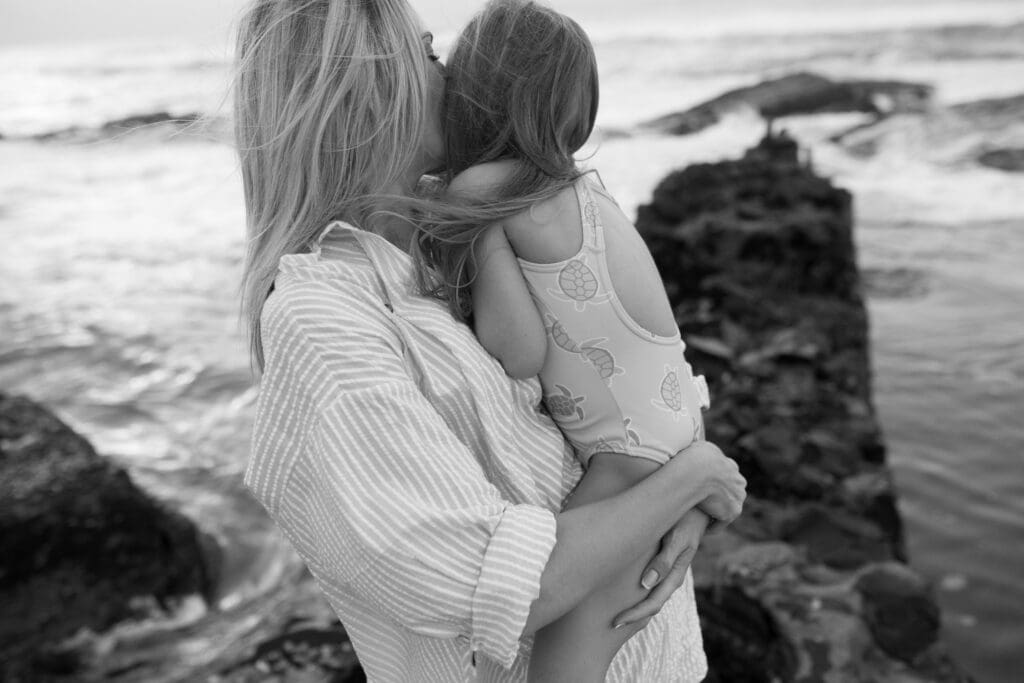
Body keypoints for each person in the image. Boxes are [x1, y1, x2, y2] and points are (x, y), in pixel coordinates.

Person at [234, 1, 746, 681]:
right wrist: (690, 476)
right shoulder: (322, 317)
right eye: (429, 54)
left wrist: (684, 493)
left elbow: (615, 372)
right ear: (365, 91)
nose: (455, 74)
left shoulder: (462, 229)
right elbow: (498, 587)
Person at [412, 2, 717, 680]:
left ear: (474, 94)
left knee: (562, 663)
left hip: (627, 452)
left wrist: (473, 247)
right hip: (666, 426)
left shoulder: (479, 190)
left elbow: (518, 352)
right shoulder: (586, 192)